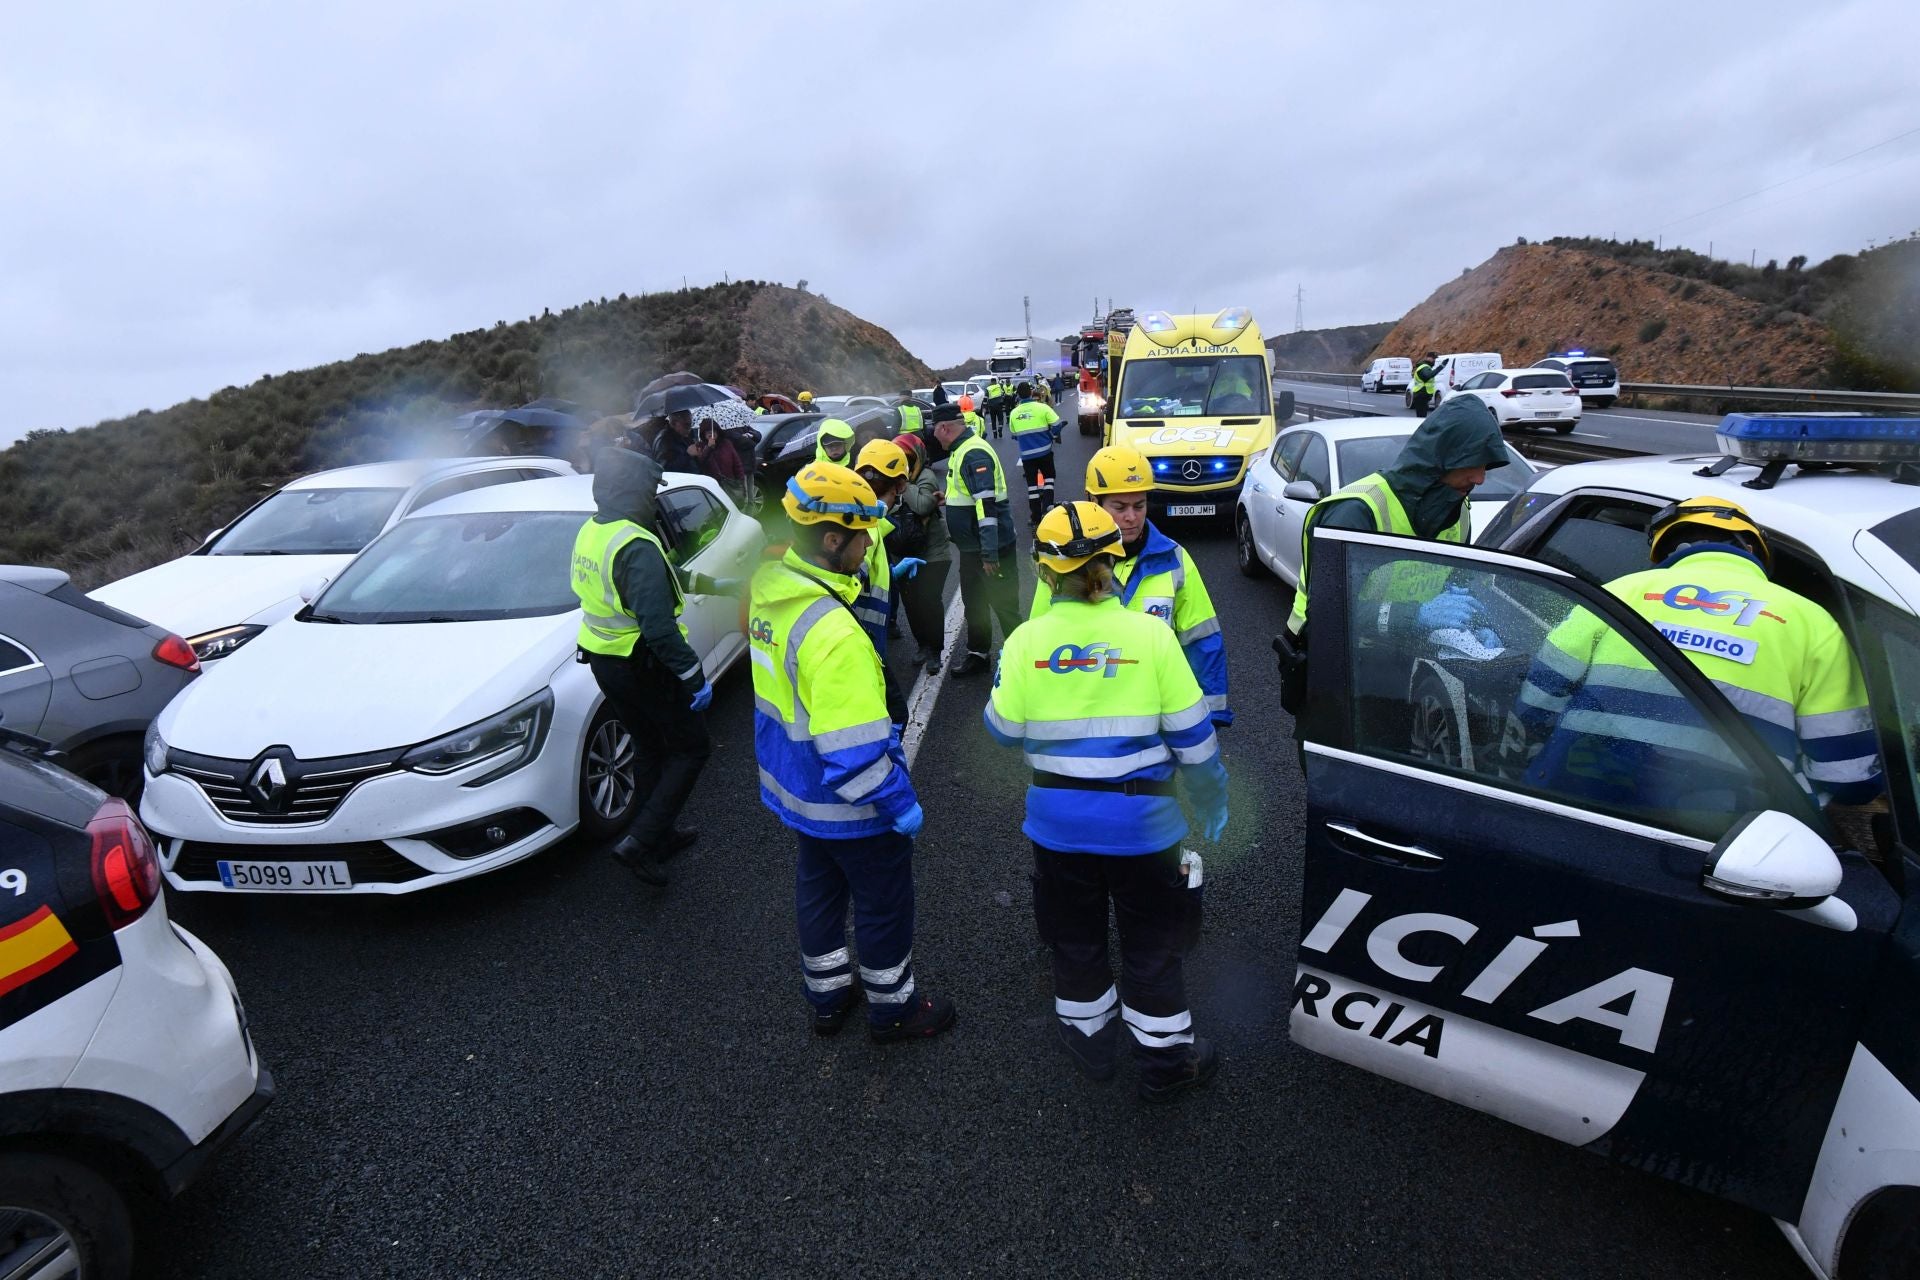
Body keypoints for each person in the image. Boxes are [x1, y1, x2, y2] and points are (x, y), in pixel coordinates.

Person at [985, 501, 1229, 1102]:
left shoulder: (1024, 641)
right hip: (1145, 827)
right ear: (1113, 561)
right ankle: (1167, 1063)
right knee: (1151, 944)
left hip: (1057, 827)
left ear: (1045, 572)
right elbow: (1196, 741)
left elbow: (1001, 730)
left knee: (1076, 938)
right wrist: (1210, 798)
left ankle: (1091, 1042)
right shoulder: (1150, 636)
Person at [749, 461, 956, 1042]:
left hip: (799, 793)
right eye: (863, 535)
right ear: (833, 538)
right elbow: (857, 755)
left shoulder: (775, 594)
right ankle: (893, 1009)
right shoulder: (833, 635)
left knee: (818, 892)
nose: (871, 545)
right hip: (851, 806)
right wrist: (899, 806)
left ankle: (828, 995)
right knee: (882, 904)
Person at [1509, 496, 1883, 813]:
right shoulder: (1812, 621)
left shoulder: (1621, 591)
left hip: (1580, 797)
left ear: (1665, 550)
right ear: (1751, 548)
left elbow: (1535, 705)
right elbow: (1848, 777)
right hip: (1727, 832)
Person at [568, 448, 713, 887]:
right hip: (643, 664)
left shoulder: (594, 532)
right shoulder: (635, 544)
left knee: (650, 748)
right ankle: (640, 841)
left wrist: (717, 585)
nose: (655, 499)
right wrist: (694, 677)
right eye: (651, 490)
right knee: (692, 748)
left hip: (604, 662)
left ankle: (659, 838)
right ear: (633, 490)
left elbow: (658, 580)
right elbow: (660, 630)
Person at [1032, 445, 1231, 726]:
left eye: (1139, 506)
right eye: (1119, 507)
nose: (1131, 517)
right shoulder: (1066, 564)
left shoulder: (1175, 560)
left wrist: (1214, 711)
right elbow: (1039, 639)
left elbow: (1202, 639)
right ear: (1092, 500)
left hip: (1154, 717)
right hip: (1084, 714)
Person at [931, 404, 1021, 676]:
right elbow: (970, 494)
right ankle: (978, 654)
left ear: (945, 427)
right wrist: (948, 500)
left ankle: (1021, 659)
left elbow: (987, 508)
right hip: (973, 550)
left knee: (1005, 605)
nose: (934, 437)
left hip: (991, 549)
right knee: (975, 603)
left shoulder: (973, 453)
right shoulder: (962, 450)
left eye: (935, 431)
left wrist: (989, 553)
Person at [853, 440, 924, 726]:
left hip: (864, 645)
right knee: (893, 718)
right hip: (861, 648)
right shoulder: (866, 528)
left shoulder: (862, 519)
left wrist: (891, 574)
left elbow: (858, 578)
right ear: (899, 487)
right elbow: (843, 589)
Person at [891, 433, 953, 673]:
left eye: (907, 458)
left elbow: (923, 505)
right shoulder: (890, 481)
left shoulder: (925, 477)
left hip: (933, 554)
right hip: (903, 554)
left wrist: (903, 486)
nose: (902, 465)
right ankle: (923, 645)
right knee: (911, 604)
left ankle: (935, 650)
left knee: (930, 602)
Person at [1008, 380, 1065, 525]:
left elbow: (1014, 434)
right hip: (1045, 452)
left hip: (1027, 456)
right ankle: (1047, 506)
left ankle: (1035, 517)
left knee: (1032, 487)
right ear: (1031, 392)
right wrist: (1051, 436)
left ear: (1018, 396)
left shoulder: (1014, 413)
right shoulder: (1042, 408)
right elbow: (1057, 424)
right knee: (1049, 478)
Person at [1408, 353, 1438, 418]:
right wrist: (1440, 368)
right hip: (1421, 393)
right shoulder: (1424, 367)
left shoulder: (1424, 367)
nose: (1434, 361)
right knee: (1421, 416)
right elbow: (1428, 375)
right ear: (1428, 358)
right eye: (1433, 359)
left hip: (1421, 394)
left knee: (1421, 416)